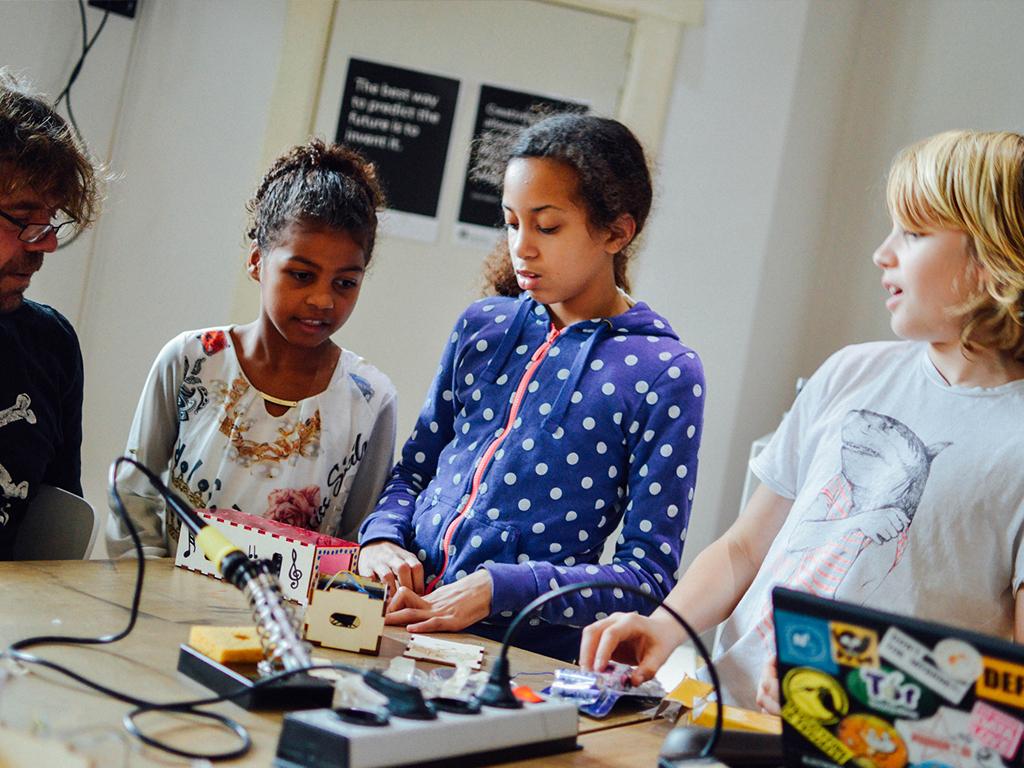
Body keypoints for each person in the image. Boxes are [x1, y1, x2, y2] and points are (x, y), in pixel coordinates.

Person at [579, 130, 1024, 709]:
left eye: (913, 233)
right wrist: (668, 624)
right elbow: (744, 548)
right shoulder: (849, 373)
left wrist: (861, 693)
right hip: (724, 717)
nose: (882, 253)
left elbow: (1012, 680)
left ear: (996, 256)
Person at [357, 114, 706, 661]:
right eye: (511, 222)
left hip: (524, 661)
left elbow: (645, 578)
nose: (522, 247)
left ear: (616, 231)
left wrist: (502, 589)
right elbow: (414, 472)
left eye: (546, 227)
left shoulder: (663, 371)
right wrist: (381, 538)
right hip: (394, 625)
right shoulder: (483, 327)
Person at [107, 139, 397, 557]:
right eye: (301, 274)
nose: (322, 299)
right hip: (164, 608)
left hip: (289, 619)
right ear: (257, 261)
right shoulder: (192, 360)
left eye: (345, 282)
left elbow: (356, 540)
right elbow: (133, 495)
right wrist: (153, 593)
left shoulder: (370, 400)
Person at [0, 69, 102, 559]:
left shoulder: (52, 344)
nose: (46, 244)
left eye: (52, 217)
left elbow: (55, 528)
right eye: (23, 218)